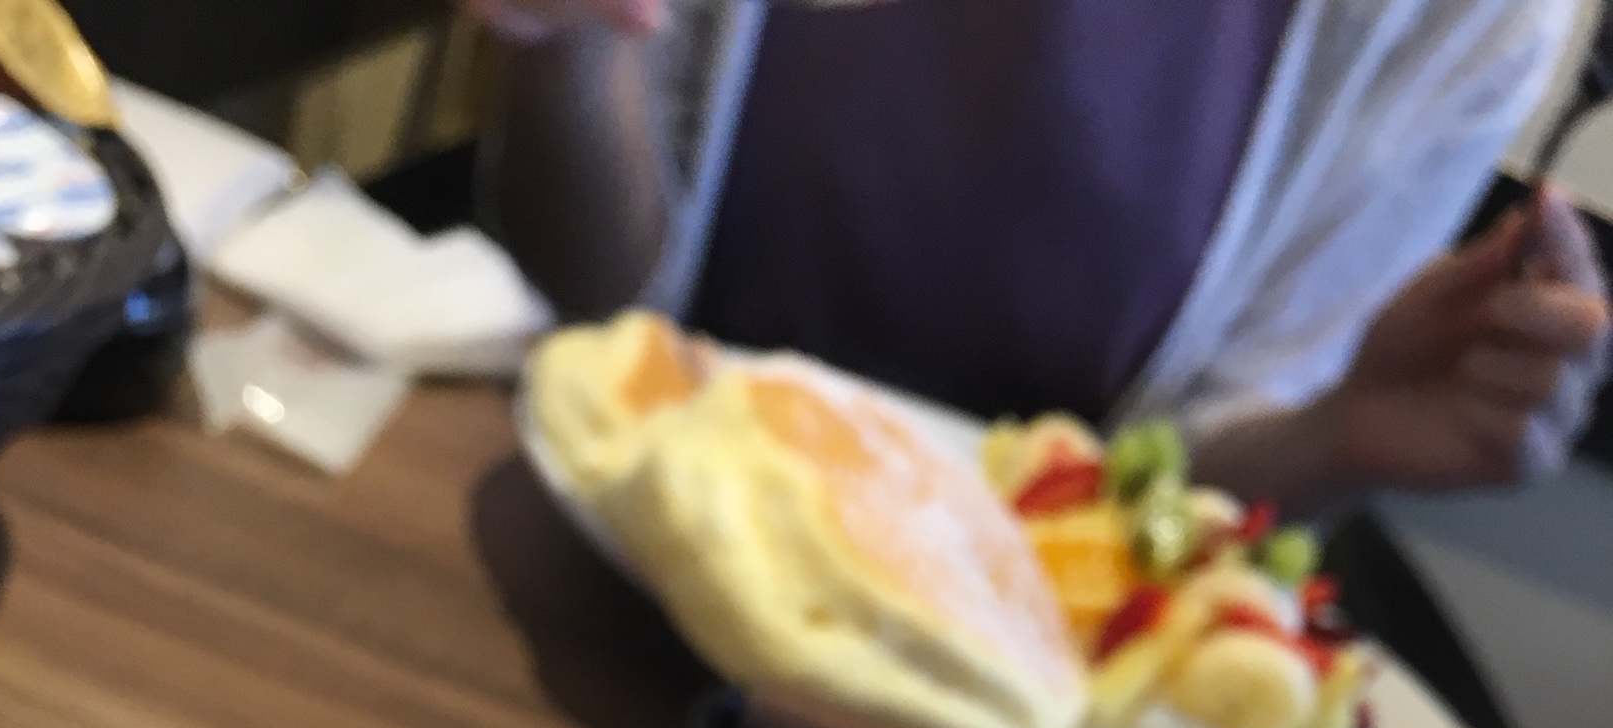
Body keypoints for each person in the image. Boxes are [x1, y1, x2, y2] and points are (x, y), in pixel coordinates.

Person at [470, 0, 1612, 514]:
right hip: (610, 519)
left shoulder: (1469, 16)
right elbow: (596, 303)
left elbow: (1181, 488)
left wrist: (1338, 437)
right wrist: (572, 47)